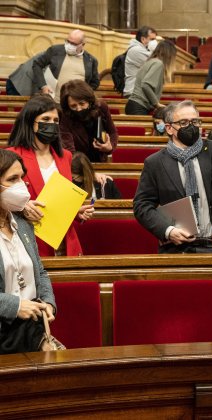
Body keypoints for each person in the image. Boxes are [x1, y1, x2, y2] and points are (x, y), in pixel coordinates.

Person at [133, 100, 212, 253]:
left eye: (195, 121)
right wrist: (168, 231)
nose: (191, 127)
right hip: (175, 248)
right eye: (184, 122)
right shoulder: (155, 162)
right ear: (169, 128)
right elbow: (142, 205)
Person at [7, 95, 94, 257]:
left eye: (55, 121)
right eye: (46, 119)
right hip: (29, 239)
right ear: (30, 122)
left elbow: (59, 199)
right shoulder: (11, 156)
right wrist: (22, 206)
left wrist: (75, 212)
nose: (52, 124)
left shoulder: (65, 156)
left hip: (65, 242)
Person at [0, 149, 58, 354]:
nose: (21, 185)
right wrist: (15, 306)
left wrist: (48, 303)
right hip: (4, 335)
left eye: (21, 178)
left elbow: (40, 271)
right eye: (12, 179)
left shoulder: (23, 224)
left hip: (32, 329)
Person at [58, 79, 118, 163]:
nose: (78, 109)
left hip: (100, 161)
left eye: (82, 104)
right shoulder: (65, 116)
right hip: (77, 164)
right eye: (73, 106)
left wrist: (109, 147)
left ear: (89, 101)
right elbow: (69, 151)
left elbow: (112, 132)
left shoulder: (101, 107)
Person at [32, 29, 99, 101]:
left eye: (73, 44)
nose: (69, 45)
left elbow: (95, 82)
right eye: (68, 41)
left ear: (82, 44)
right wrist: (43, 86)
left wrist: (84, 94)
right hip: (53, 100)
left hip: (76, 104)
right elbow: (37, 64)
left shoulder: (91, 60)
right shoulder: (55, 50)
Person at [125, 40, 177, 116]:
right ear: (169, 55)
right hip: (139, 107)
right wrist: (156, 104)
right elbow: (145, 85)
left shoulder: (151, 61)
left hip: (135, 105)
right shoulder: (158, 64)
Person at [123, 26, 158, 98]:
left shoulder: (145, 49)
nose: (154, 42)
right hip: (134, 92)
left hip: (139, 92)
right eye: (152, 39)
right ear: (143, 39)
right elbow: (156, 64)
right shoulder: (136, 50)